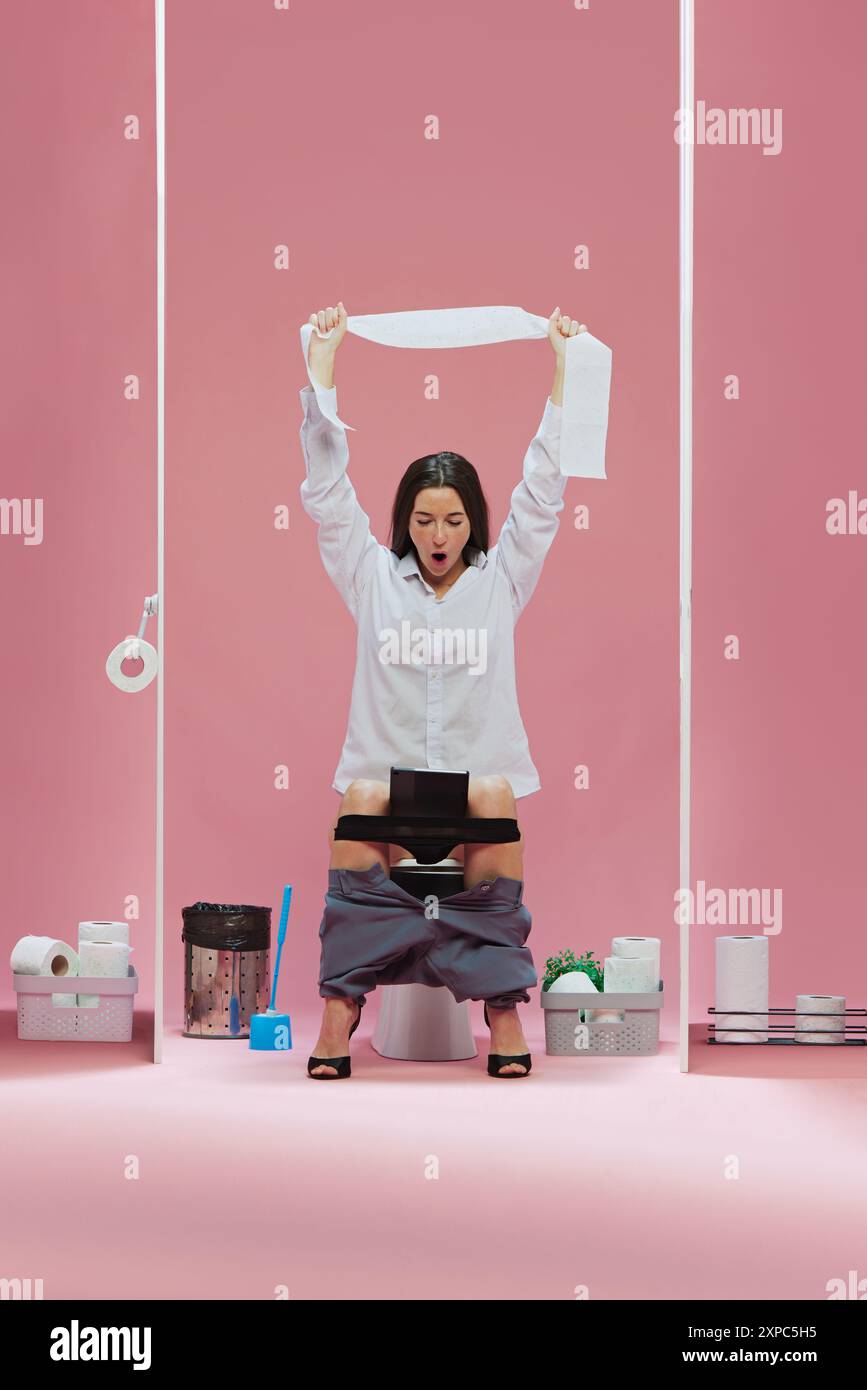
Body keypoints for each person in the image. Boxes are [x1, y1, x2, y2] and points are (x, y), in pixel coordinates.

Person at [299, 301, 587, 1078]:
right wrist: (322, 370)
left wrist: (562, 366)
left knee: (493, 791)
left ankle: (500, 1010)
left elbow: (543, 490)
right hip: (388, 784)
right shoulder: (369, 578)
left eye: (453, 519)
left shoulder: (501, 582)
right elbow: (326, 497)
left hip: (473, 787)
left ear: (473, 523)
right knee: (358, 790)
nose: (436, 536)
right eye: (423, 519)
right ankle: (340, 1007)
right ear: (403, 520)